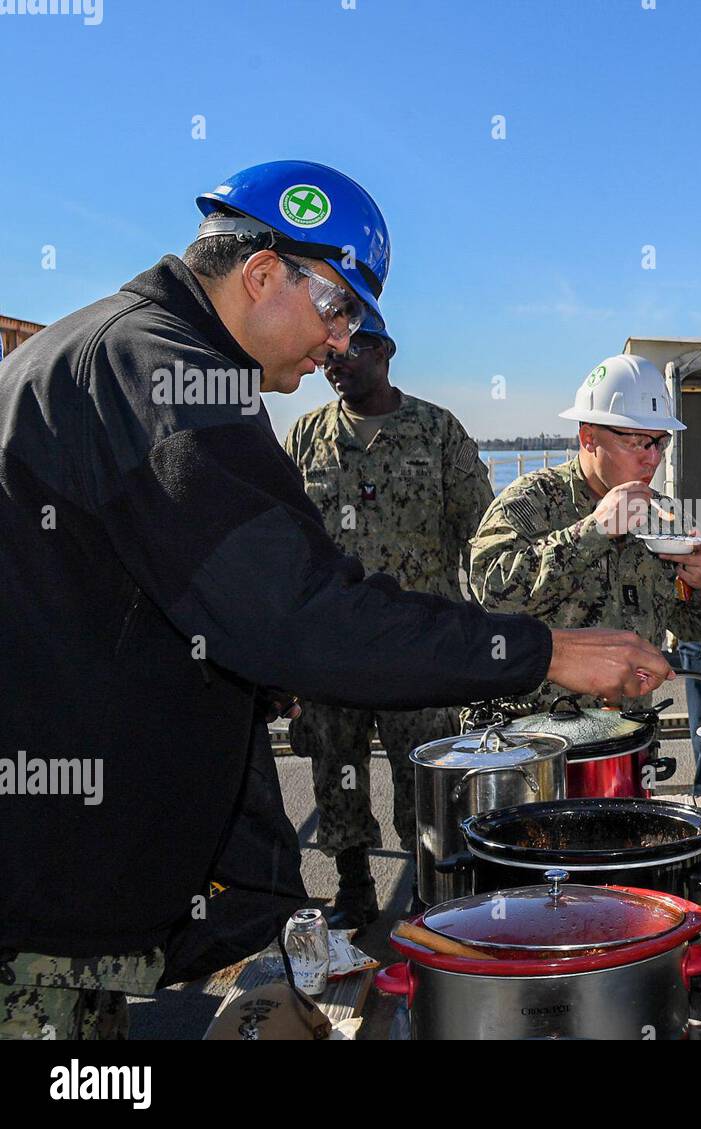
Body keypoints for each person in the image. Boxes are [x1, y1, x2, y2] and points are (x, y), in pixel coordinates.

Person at [0, 161, 670, 1040]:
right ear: (263, 273)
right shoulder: (159, 371)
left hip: (74, 864)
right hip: (48, 886)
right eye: (338, 307)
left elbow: (209, 615)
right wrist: (547, 650)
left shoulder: (130, 354)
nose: (342, 341)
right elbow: (294, 613)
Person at [283, 315, 494, 926]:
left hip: (418, 643)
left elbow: (480, 539)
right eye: (327, 355)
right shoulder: (304, 437)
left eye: (349, 350)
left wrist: (481, 642)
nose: (334, 363)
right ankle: (353, 883)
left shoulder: (436, 432)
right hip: (333, 646)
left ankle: (432, 891)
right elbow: (284, 542)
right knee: (335, 764)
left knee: (428, 772)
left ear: (385, 351)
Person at [470, 354, 701, 716]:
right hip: (541, 737)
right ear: (589, 437)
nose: (653, 459)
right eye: (640, 442)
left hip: (627, 735)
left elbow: (694, 627)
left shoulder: (663, 514)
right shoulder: (531, 501)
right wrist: (594, 531)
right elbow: (492, 593)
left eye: (661, 442)